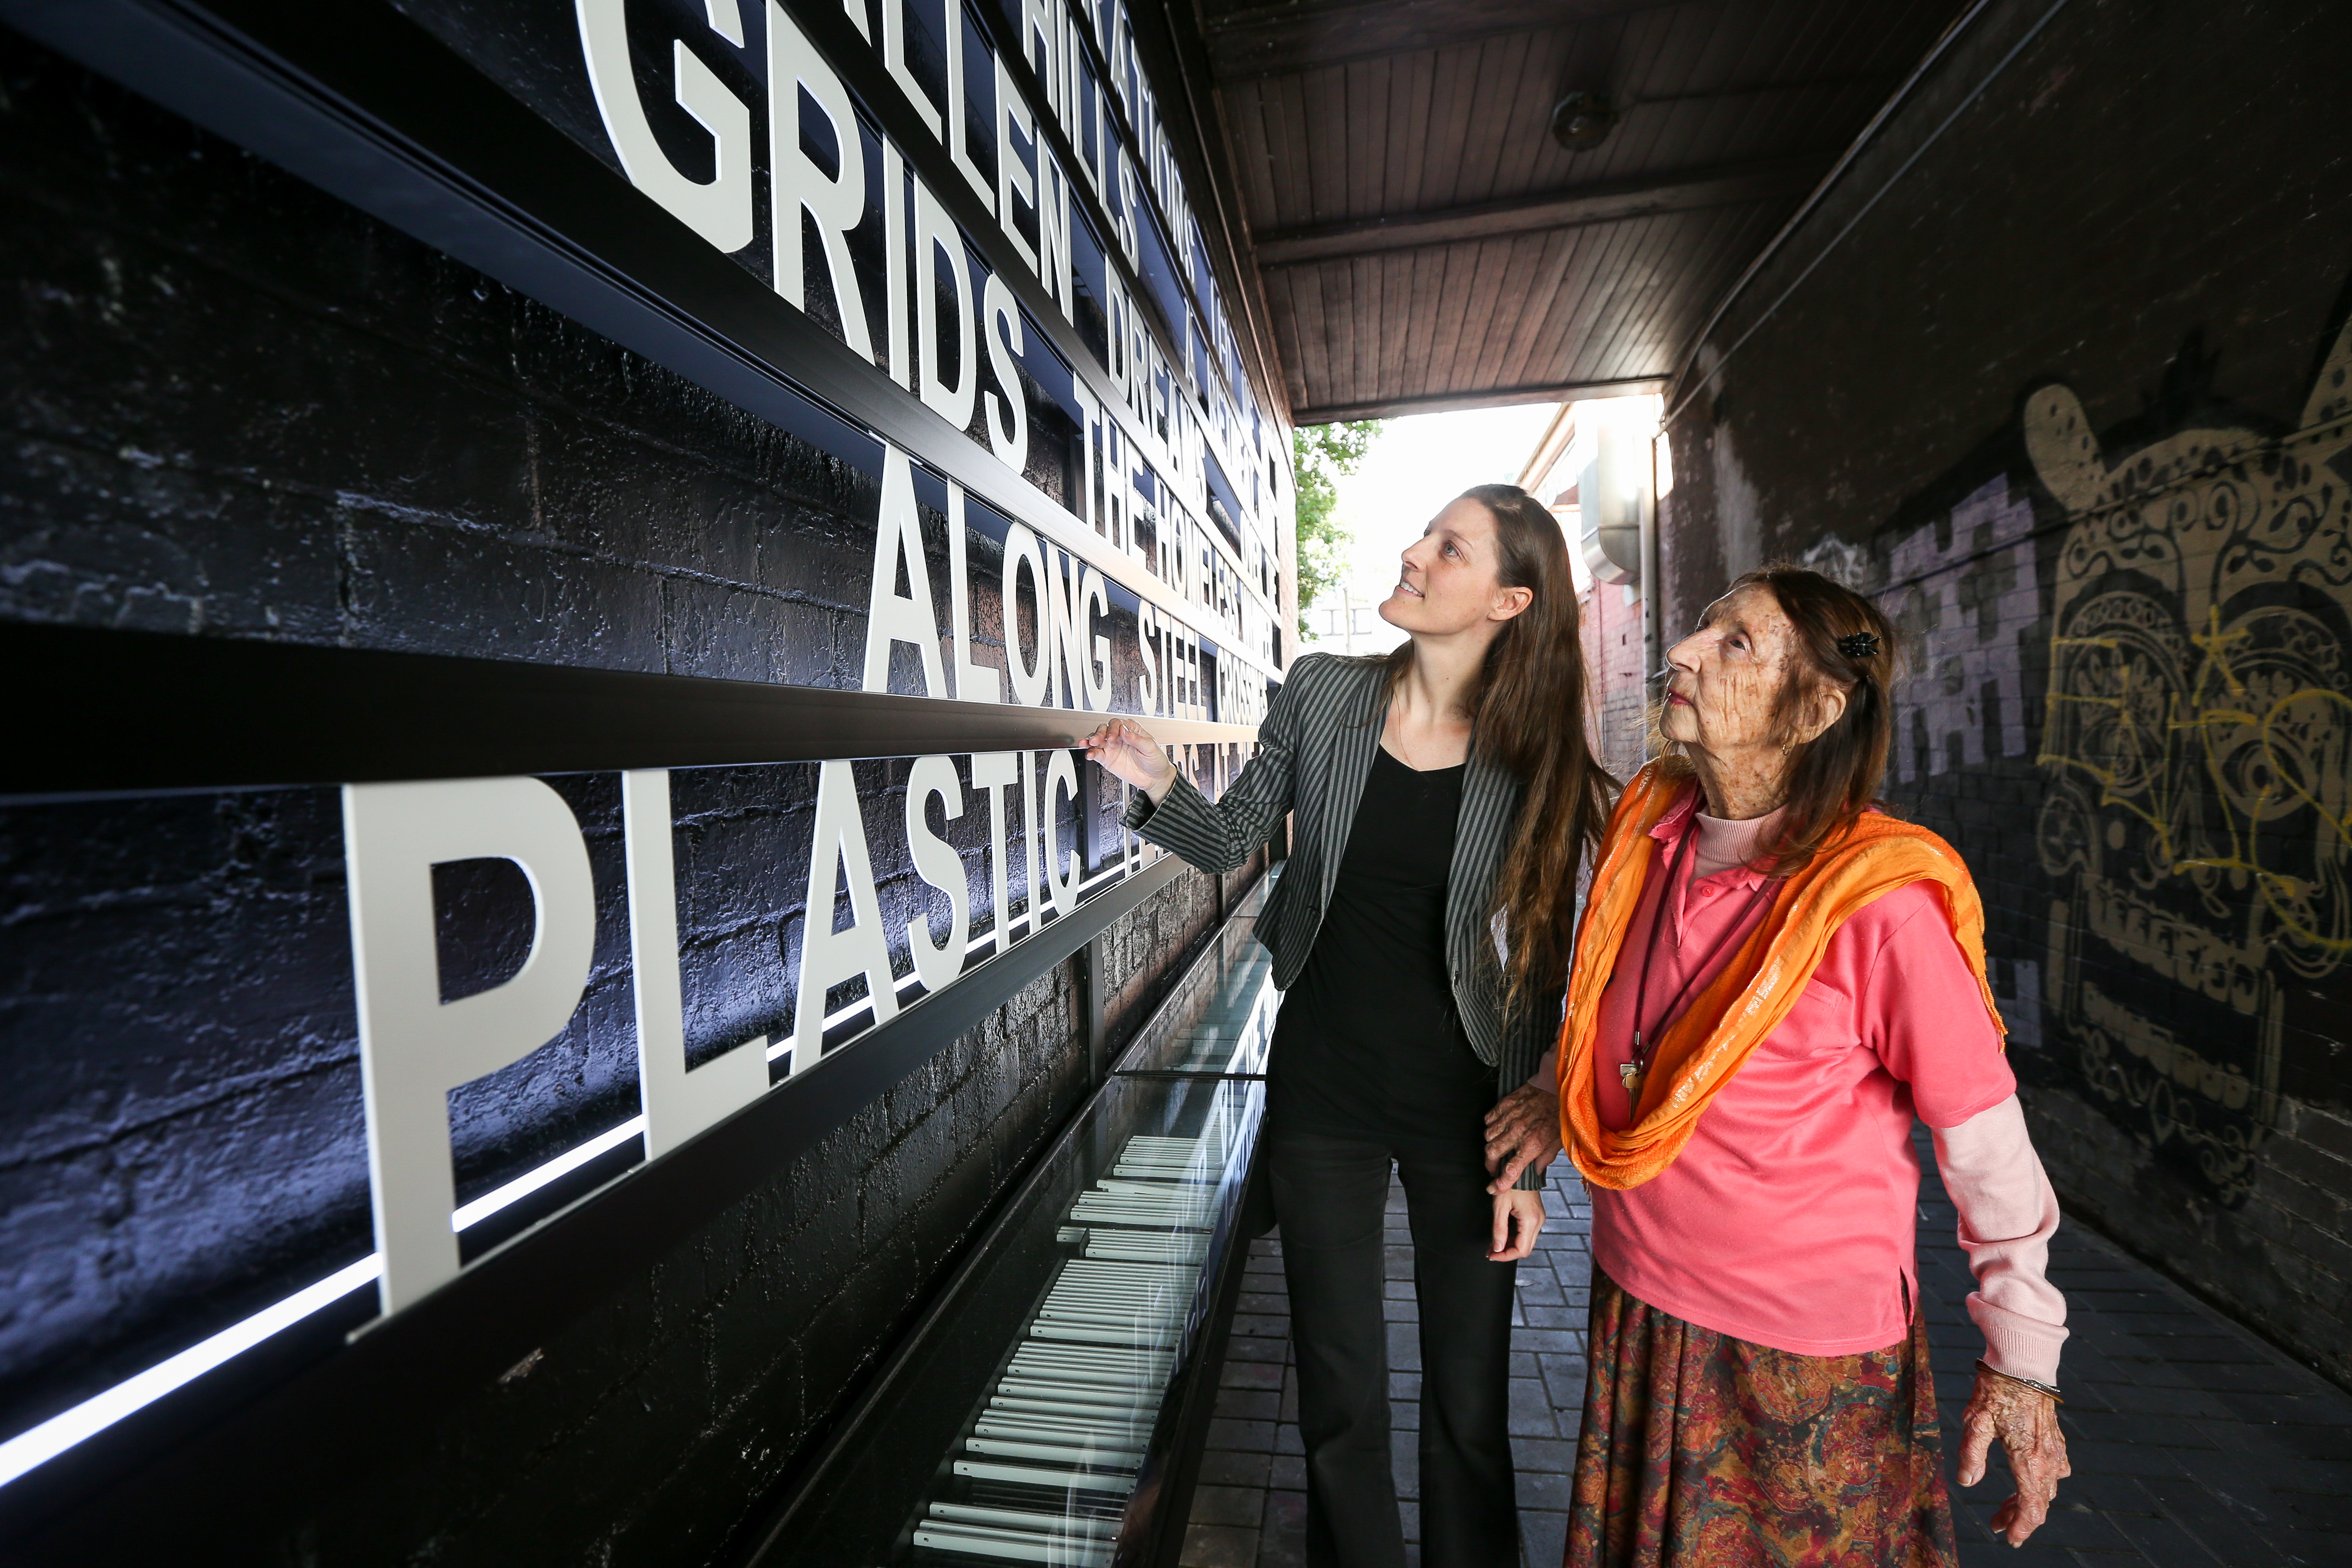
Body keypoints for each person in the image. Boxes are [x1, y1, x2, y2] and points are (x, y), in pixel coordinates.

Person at [1086, 484, 1608, 1568]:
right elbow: (1236, 833)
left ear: (1508, 599)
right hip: (1321, 1080)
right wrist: (1152, 781)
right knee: (1337, 1384)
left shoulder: (1531, 752)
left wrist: (1525, 1162)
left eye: (1447, 547)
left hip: (1462, 1099)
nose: (1413, 552)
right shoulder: (1322, 692)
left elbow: (1538, 966)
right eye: (1425, 532)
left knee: (1467, 1394)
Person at [1554, 566, 2071, 1567]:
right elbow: (1608, 1030)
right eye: (1697, 630)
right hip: (1639, 1304)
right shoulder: (1649, 840)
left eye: (1733, 644)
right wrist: (1549, 1101)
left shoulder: (1878, 903)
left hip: (1793, 1356)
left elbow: (1984, 1145)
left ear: (1813, 708)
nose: (1681, 653)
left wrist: (2023, 1359)